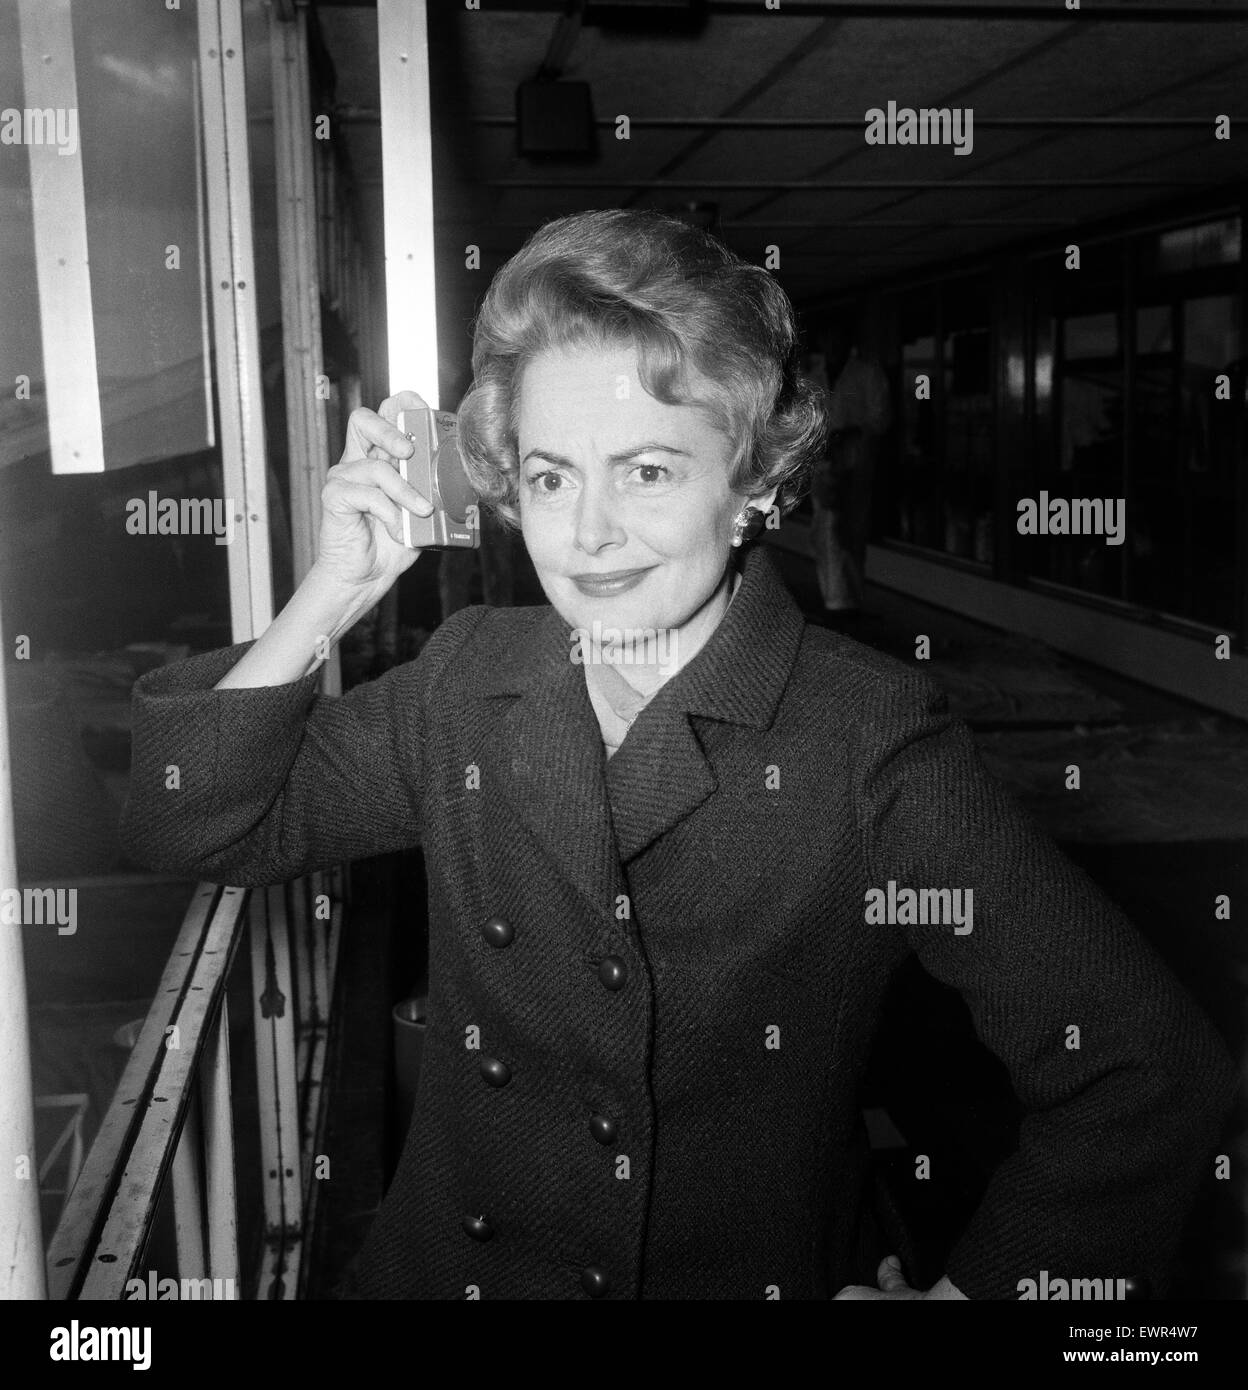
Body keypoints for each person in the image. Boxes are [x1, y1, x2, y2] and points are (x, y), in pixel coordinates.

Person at [120, 209, 1235, 1301]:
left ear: (753, 485)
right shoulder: (468, 682)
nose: (588, 534)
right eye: (552, 475)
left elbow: (1144, 1070)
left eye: (647, 470)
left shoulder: (865, 742)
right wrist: (335, 593)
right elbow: (194, 818)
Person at [805, 319, 891, 628]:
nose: (833, 345)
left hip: (856, 464)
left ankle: (849, 605)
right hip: (824, 464)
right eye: (828, 338)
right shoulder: (814, 379)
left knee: (850, 532)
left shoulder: (867, 373)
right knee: (824, 531)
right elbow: (807, 423)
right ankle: (832, 602)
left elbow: (881, 419)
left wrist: (850, 435)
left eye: (838, 338)